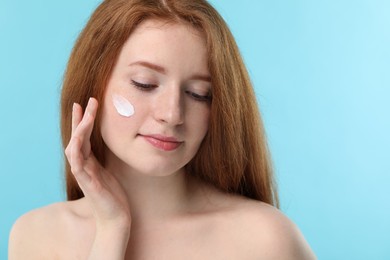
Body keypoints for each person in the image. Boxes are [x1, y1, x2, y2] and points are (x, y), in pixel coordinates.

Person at [9, 0, 316, 259]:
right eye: (144, 83)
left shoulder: (266, 241)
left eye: (199, 94)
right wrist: (112, 231)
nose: (171, 115)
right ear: (93, 86)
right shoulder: (36, 236)